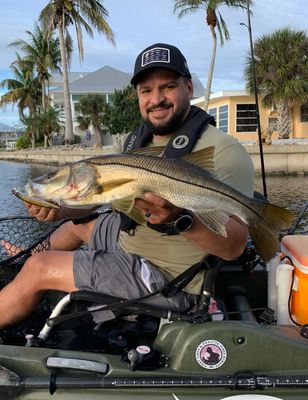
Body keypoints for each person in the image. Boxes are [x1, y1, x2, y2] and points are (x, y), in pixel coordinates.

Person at [0, 43, 254, 327]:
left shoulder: (224, 151)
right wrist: (59, 210)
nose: (156, 99)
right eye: (146, 91)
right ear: (138, 96)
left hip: (168, 279)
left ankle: (31, 271)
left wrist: (180, 219)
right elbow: (96, 198)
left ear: (189, 88)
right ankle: (27, 262)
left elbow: (234, 248)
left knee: (39, 268)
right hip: (131, 241)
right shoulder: (131, 143)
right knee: (76, 225)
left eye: (167, 87)